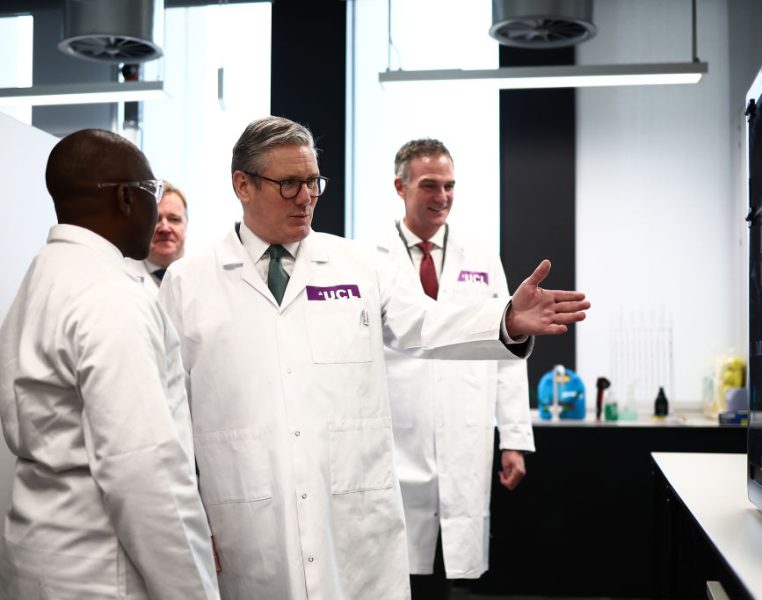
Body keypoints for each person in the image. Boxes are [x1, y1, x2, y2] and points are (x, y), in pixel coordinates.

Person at [157, 116, 589, 600]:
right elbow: (170, 415)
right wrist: (189, 516)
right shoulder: (189, 283)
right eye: (290, 184)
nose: (306, 197)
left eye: (313, 182)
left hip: (350, 514)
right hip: (244, 515)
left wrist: (505, 319)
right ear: (243, 185)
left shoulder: (357, 265)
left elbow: (426, 324)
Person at [0, 129, 219, 599]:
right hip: (103, 571)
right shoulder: (109, 296)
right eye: (152, 192)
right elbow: (143, 471)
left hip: (39, 554)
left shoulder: (44, 276)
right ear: (125, 198)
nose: (156, 212)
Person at [377, 138, 534, 599]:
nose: (442, 196)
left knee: (455, 572)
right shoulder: (372, 257)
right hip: (397, 431)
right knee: (398, 567)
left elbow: (506, 350)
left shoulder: (481, 256)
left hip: (465, 428)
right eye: (430, 185)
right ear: (401, 187)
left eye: (449, 186)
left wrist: (514, 438)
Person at [124, 180, 188, 294]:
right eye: (155, 219)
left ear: (186, 225)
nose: (165, 228)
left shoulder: (205, 274)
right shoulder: (119, 274)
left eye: (174, 219)